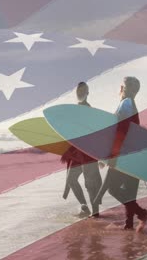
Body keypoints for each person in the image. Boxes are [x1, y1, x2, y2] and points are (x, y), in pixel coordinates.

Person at [94, 76, 147, 232]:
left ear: (123, 89)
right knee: (130, 192)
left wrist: (112, 155)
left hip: (125, 155)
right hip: (134, 154)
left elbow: (120, 132)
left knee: (113, 189)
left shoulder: (125, 104)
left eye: (122, 87)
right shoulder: (132, 105)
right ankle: (129, 225)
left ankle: (141, 213)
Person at [61, 82, 102, 217]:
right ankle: (84, 207)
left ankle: (95, 212)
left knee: (90, 183)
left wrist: (100, 155)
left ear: (87, 93)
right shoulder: (74, 109)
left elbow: (95, 132)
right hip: (76, 152)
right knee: (71, 179)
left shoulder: (89, 110)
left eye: (83, 91)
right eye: (78, 91)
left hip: (88, 152)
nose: (80, 93)